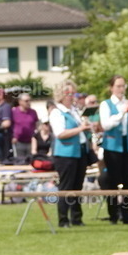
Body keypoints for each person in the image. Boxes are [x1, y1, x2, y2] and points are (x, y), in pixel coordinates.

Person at [99, 75, 128, 224]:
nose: (121, 89)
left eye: (123, 86)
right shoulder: (106, 104)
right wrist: (121, 113)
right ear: (112, 88)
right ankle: (113, 215)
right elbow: (106, 125)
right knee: (113, 181)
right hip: (112, 146)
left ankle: (127, 216)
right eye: (118, 86)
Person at [49, 80, 90, 227]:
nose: (71, 96)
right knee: (66, 187)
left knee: (77, 186)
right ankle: (63, 219)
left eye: (73, 93)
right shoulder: (57, 112)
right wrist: (80, 129)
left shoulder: (74, 111)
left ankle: (77, 218)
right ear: (61, 95)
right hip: (65, 154)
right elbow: (60, 133)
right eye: (68, 93)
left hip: (79, 152)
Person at [10, 93, 40, 162]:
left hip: (31, 142)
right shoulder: (14, 111)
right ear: (20, 102)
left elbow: (37, 124)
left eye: (29, 100)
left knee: (31, 161)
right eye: (26, 101)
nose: (29, 103)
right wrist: (12, 136)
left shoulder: (33, 112)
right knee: (20, 162)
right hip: (18, 142)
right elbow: (10, 125)